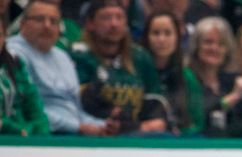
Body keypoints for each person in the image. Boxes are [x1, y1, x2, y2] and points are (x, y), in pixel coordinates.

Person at [7, 0, 113, 135]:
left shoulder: (62, 56)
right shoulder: (13, 53)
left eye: (53, 21)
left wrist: (103, 126)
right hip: (42, 135)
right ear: (22, 24)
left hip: (75, 133)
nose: (47, 26)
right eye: (39, 19)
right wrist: (78, 127)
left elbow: (75, 110)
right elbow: (26, 110)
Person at [71, 0, 167, 135]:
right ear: (90, 23)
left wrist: (144, 124)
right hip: (94, 134)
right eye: (106, 18)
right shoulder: (79, 56)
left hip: (136, 133)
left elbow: (155, 104)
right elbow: (86, 103)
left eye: (119, 18)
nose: (114, 24)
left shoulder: (140, 57)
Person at [141, 10, 203, 134]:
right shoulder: (136, 73)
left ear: (177, 38)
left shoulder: (188, 77)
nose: (161, 39)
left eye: (168, 33)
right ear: (146, 37)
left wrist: (181, 133)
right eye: (156, 33)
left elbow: (198, 123)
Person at [185, 15, 237, 135]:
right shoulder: (187, 78)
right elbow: (197, 116)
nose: (214, 48)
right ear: (196, 46)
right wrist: (230, 100)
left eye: (221, 44)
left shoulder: (231, 81)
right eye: (208, 42)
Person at [1, 15, 50, 135]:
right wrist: (18, 131)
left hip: (25, 139)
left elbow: (35, 109)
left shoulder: (15, 64)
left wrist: (37, 131)